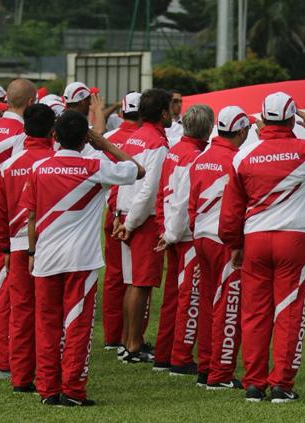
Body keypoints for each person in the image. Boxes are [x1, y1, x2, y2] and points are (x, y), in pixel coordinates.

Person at [219, 91, 305, 403]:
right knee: (289, 312)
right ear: (294, 118)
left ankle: (254, 384)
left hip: (254, 240)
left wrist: (234, 244)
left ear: (263, 118)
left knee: (254, 313)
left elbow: (230, 212)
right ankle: (281, 384)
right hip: (293, 240)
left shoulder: (243, 155)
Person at [21, 110, 145, 406]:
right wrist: (105, 144)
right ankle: (73, 391)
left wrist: (31, 252)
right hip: (81, 260)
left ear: (55, 136)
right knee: (76, 325)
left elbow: (32, 215)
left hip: (47, 257)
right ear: (85, 139)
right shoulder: (95, 165)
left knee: (47, 323)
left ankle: (48, 389)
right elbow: (138, 170)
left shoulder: (39, 167)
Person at [0, 78, 37, 379]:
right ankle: (2, 359)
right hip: (6, 223)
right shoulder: (19, 134)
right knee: (8, 294)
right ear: (30, 104)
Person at [0, 104, 56, 392]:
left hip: (18, 245)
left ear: (24, 130)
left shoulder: (8, 165)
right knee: (49, 313)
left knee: (20, 311)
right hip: (50, 245)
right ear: (52, 130)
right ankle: (47, 377)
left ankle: (20, 377)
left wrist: (4, 247)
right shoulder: (55, 161)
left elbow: (1, 211)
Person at [189, 105, 249, 389]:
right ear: (239, 131)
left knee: (206, 304)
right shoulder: (237, 160)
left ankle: (205, 368)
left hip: (200, 237)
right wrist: (236, 242)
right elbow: (237, 209)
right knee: (228, 306)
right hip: (224, 241)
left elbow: (191, 202)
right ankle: (221, 373)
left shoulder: (201, 157)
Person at [152, 104, 213, 373]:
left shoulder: (175, 151)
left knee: (173, 297)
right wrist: (173, 234)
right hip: (184, 235)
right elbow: (182, 201)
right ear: (208, 128)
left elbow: (163, 194)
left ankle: (164, 354)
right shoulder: (194, 157)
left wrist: (165, 229)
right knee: (188, 297)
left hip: (171, 230)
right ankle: (180, 356)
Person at [113, 88, 172, 363]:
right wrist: (134, 223)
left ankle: (128, 341)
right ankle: (134, 345)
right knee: (141, 283)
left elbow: (121, 179)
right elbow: (150, 189)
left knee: (131, 282)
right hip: (141, 218)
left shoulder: (134, 138)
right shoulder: (156, 143)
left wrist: (119, 216)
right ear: (163, 113)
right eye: (171, 108)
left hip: (126, 213)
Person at [100, 92, 141, 350]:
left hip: (111, 210)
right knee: (136, 280)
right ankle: (130, 338)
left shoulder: (108, 139)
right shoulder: (147, 139)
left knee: (115, 276)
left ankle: (113, 337)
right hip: (132, 213)